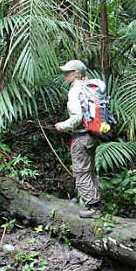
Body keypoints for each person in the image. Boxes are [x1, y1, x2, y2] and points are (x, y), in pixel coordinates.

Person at [54, 59, 102, 218]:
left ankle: (93, 208)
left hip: (81, 136)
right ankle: (94, 203)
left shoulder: (75, 90)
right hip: (92, 135)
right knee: (89, 171)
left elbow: (77, 117)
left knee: (81, 172)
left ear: (77, 73)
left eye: (68, 72)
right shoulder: (89, 87)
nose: (65, 74)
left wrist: (63, 125)